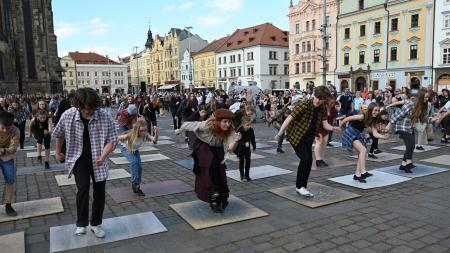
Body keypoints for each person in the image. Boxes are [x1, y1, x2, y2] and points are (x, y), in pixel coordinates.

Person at [52, 88, 117, 238]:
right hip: (78, 157)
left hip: (98, 157)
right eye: (84, 109)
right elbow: (59, 134)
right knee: (83, 188)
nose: (88, 111)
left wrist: (103, 155)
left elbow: (112, 140)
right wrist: (57, 151)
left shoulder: (105, 116)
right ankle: (81, 223)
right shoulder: (68, 115)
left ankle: (96, 223)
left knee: (99, 191)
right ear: (78, 106)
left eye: (91, 109)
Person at [275, 86, 339, 197]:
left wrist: (333, 128)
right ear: (314, 95)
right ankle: (299, 186)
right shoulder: (304, 104)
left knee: (308, 161)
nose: (318, 100)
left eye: (322, 99)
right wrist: (280, 134)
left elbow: (324, 124)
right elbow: (289, 118)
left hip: (309, 137)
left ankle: (302, 186)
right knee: (306, 158)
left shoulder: (323, 108)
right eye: (317, 97)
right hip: (296, 135)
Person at [175, 109, 241, 213]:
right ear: (218, 121)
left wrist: (236, 140)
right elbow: (188, 125)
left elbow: (230, 148)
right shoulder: (207, 125)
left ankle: (216, 201)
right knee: (209, 164)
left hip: (217, 148)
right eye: (224, 121)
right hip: (203, 145)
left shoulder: (230, 130)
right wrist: (179, 130)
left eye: (229, 122)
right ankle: (212, 190)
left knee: (220, 172)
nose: (227, 124)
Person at [340, 103, 389, 182]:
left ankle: (357, 175)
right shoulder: (362, 116)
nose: (376, 112)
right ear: (370, 110)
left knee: (361, 153)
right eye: (375, 110)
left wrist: (383, 137)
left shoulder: (373, 120)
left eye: (378, 111)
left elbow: (374, 133)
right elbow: (347, 118)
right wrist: (341, 127)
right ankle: (363, 172)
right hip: (350, 133)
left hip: (358, 134)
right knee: (363, 150)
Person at [118, 119, 157, 196]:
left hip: (135, 150)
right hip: (126, 148)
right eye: (141, 131)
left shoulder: (145, 134)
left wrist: (156, 133)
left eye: (145, 130)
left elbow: (154, 139)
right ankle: (135, 185)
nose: (143, 132)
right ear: (137, 129)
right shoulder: (130, 135)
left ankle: (137, 185)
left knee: (139, 167)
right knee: (134, 162)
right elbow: (117, 137)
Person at [386, 88, 415, 173]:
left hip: (409, 127)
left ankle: (403, 164)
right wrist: (389, 124)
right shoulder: (410, 102)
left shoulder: (411, 102)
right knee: (411, 144)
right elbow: (398, 113)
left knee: (410, 145)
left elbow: (400, 102)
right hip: (402, 126)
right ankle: (408, 163)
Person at [0, 111, 19, 216]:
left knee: (10, 180)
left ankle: (8, 205)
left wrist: (3, 150)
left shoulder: (15, 130)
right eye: (2, 127)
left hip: (7, 157)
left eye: (8, 127)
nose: (5, 130)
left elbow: (13, 147)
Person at [235, 116, 256, 181]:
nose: (249, 126)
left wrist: (254, 145)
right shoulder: (239, 130)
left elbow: (252, 138)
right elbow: (237, 141)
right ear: (243, 124)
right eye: (247, 125)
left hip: (247, 148)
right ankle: (242, 175)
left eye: (250, 125)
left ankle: (247, 175)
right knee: (241, 161)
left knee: (248, 161)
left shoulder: (251, 130)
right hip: (240, 148)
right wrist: (244, 144)